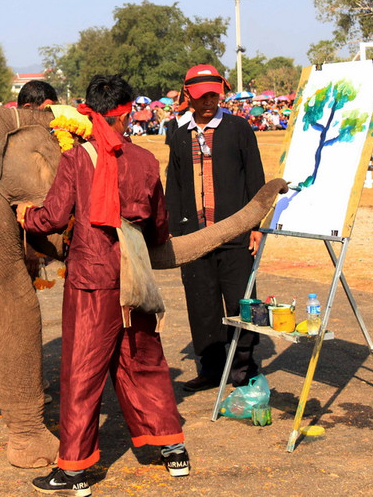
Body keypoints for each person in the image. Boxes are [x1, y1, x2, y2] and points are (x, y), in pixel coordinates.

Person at [20, 74, 188, 496]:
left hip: (92, 280)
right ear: (128, 112)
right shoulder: (147, 161)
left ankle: (75, 471)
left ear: (91, 112)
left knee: (82, 371)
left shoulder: (78, 159)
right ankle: (173, 449)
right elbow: (159, 225)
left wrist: (25, 217)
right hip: (135, 275)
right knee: (143, 359)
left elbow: (54, 217)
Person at [165, 64, 265, 392]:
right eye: (201, 96)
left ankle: (244, 370)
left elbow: (255, 178)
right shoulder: (179, 135)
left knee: (241, 301)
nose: (209, 101)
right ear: (188, 96)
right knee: (201, 303)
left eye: (214, 94)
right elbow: (175, 186)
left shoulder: (238, 129)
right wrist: (174, 232)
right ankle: (211, 370)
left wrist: (256, 225)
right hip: (194, 237)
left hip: (236, 234)